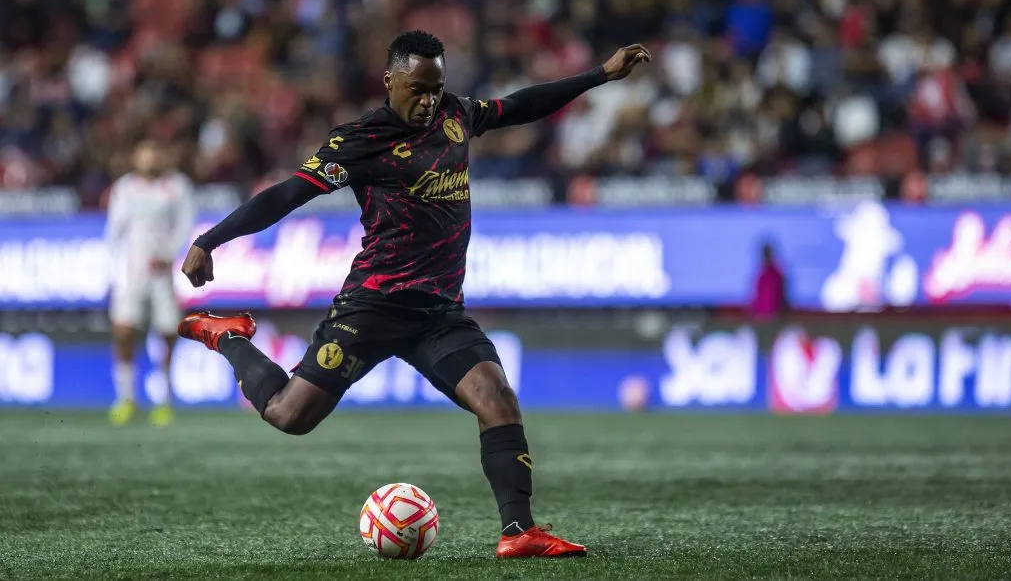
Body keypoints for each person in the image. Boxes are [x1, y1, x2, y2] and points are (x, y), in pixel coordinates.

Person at [178, 30, 650, 558]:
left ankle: (519, 532)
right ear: (390, 82)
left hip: (439, 311)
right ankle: (228, 338)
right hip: (374, 305)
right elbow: (288, 194)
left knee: (498, 399)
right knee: (291, 415)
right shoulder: (359, 141)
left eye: (436, 89)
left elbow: (519, 106)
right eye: (418, 89)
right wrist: (210, 239)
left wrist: (600, 76)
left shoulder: (456, 114)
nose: (428, 102)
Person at [105, 139, 196, 426]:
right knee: (123, 331)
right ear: (135, 158)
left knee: (168, 333)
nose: (150, 160)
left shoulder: (177, 187)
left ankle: (164, 400)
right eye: (144, 155)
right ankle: (126, 398)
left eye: (154, 154)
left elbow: (185, 224)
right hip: (131, 271)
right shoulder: (124, 188)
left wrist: (169, 254)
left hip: (162, 272)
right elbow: (114, 230)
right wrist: (114, 269)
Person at [750, 241, 788, 322]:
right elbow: (756, 297)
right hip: (759, 317)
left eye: (767, 254)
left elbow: (783, 297)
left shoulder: (778, 273)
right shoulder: (761, 274)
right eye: (764, 254)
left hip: (774, 317)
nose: (765, 256)